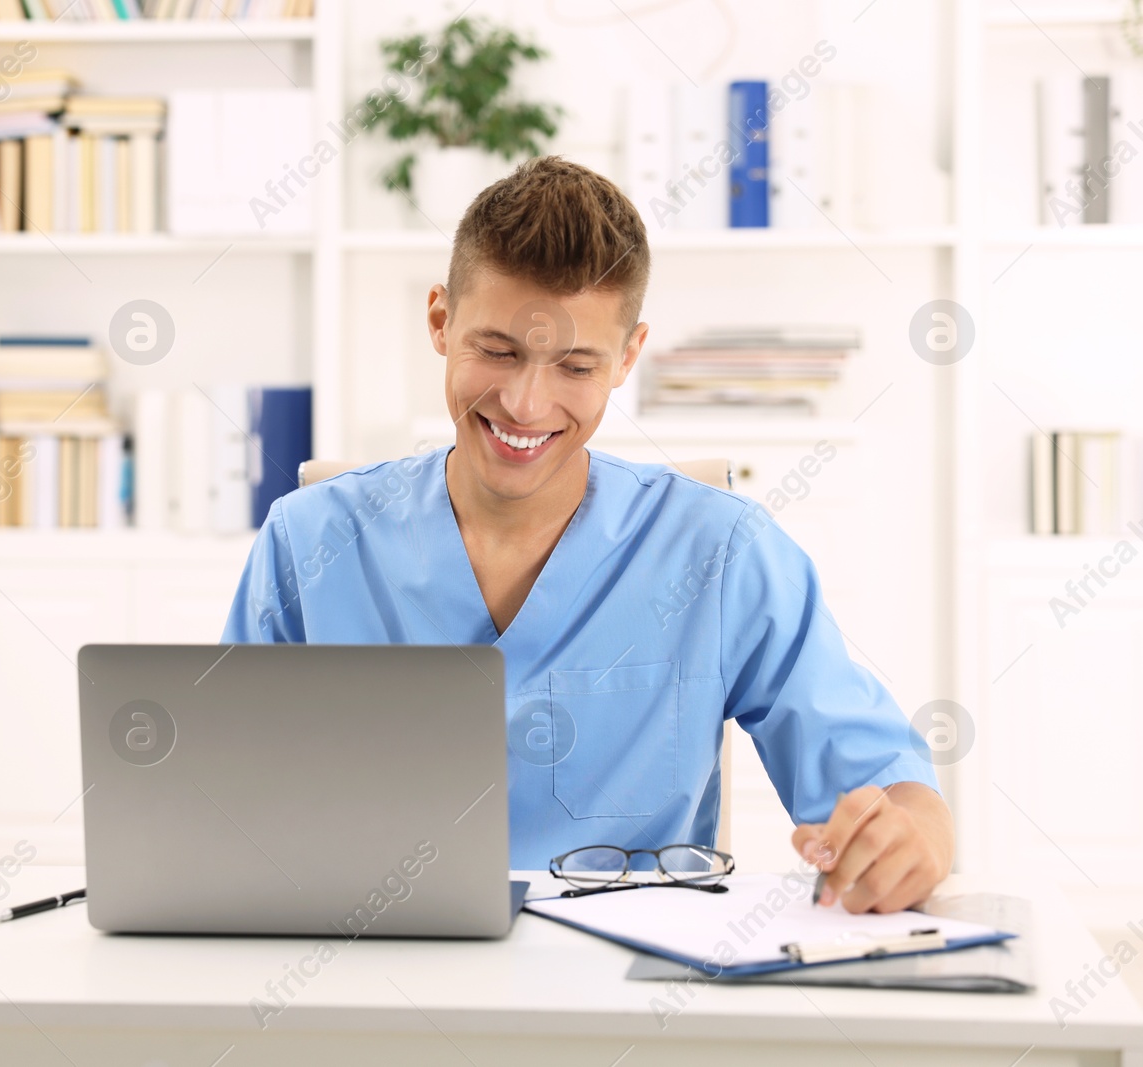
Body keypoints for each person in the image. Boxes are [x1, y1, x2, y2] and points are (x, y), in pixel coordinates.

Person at [221, 156, 952, 914]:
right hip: (368, 968)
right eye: (497, 350)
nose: (525, 403)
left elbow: (886, 781)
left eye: (575, 365)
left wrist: (911, 837)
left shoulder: (721, 554)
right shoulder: (308, 540)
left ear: (627, 356)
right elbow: (218, 797)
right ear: (440, 320)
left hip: (626, 993)